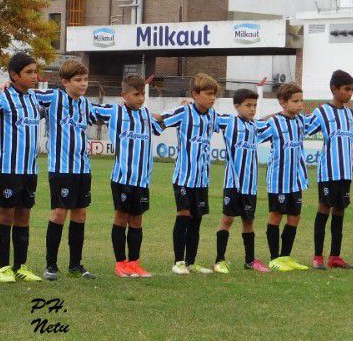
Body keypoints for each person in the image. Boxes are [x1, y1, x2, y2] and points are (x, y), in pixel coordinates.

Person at [91, 74, 164, 278]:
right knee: (121, 218)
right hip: (122, 178)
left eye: (142, 94)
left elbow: (161, 126)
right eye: (136, 94)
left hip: (142, 180)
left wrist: (175, 111)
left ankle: (134, 263)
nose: (141, 98)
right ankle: (120, 263)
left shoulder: (147, 116)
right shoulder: (114, 112)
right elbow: (86, 109)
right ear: (124, 95)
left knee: (137, 221)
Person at [36, 60, 97, 280]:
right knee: (59, 213)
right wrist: (6, 88)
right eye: (78, 80)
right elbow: (25, 94)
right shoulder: (53, 98)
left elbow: (106, 115)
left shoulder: (86, 104)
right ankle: (51, 265)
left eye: (85, 80)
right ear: (65, 82)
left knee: (80, 215)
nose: (83, 84)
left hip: (83, 169)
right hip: (61, 168)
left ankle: (75, 264)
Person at [0, 53, 44, 283]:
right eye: (29, 72)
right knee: (5, 216)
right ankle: (4, 268)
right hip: (7, 169)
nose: (35, 77)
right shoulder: (1, 99)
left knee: (24, 217)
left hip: (30, 170)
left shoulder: (35, 100)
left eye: (35, 72)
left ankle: (21, 266)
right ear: (14, 75)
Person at [160, 73, 220, 275]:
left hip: (202, 178)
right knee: (184, 214)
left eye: (214, 95)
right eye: (208, 94)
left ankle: (192, 262)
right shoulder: (184, 112)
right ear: (195, 94)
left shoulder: (212, 115)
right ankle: (178, 261)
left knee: (197, 218)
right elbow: (161, 119)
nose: (212, 98)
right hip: (184, 176)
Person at [307, 69, 353, 270]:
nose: (350, 93)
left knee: (340, 211)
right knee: (324, 209)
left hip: (345, 173)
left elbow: (350, 143)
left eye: (352, 89)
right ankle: (317, 258)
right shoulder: (322, 112)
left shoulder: (350, 114)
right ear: (334, 89)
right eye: (347, 89)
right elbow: (303, 127)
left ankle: (335, 257)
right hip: (328, 172)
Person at [212, 89, 270, 273]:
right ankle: (219, 260)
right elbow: (206, 115)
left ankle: (250, 260)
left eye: (254, 105)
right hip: (233, 182)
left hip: (250, 184)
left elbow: (269, 121)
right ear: (236, 106)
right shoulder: (228, 122)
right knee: (227, 219)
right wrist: (188, 106)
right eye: (248, 105)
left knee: (248, 221)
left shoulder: (255, 126)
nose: (252, 109)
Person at [258, 83, 310, 272]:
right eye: (295, 101)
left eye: (301, 101)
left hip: (296, 180)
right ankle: (274, 258)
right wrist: (272, 115)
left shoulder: (301, 121)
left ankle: (286, 256)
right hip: (278, 179)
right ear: (282, 102)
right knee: (276, 216)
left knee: (294, 216)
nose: (300, 105)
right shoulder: (273, 123)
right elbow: (254, 130)